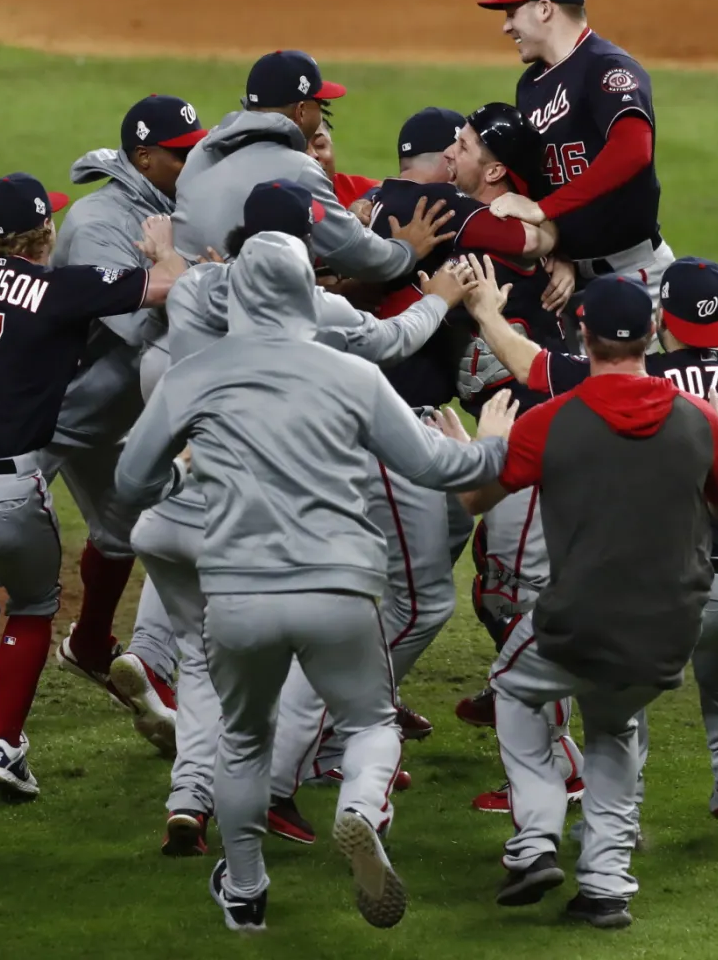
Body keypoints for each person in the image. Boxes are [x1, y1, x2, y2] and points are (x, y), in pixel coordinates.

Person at [114, 227, 515, 933]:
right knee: (369, 721)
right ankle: (360, 808)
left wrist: (180, 470)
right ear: (310, 294)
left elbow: (129, 480)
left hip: (238, 592)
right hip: (340, 588)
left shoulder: (195, 375)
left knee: (241, 738)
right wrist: (505, 445)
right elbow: (437, 468)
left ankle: (245, 890)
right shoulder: (352, 374)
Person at [260, 105, 568, 842]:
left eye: (469, 146)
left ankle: (329, 739)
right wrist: (551, 238)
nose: (458, 156)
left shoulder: (384, 203)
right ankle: (328, 739)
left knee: (415, 572)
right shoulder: (437, 208)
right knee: (417, 602)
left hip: (387, 422)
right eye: (455, 146)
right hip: (389, 422)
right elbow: (522, 236)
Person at [0, 95, 207, 747]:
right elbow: (139, 323)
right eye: (182, 152)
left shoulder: (162, 204)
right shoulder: (96, 222)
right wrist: (195, 273)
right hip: (51, 415)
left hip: (105, 414)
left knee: (125, 526)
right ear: (146, 157)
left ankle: (88, 643)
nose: (195, 161)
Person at [451, 273, 718, 928]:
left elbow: (473, 501)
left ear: (582, 335)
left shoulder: (550, 419)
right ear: (653, 335)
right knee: (614, 726)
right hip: (672, 628)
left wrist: (479, 450)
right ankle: (606, 886)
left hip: (578, 620)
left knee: (513, 688)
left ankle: (534, 840)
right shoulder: (703, 420)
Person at [471, 257, 718, 816]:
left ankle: (615, 814)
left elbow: (533, 366)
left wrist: (487, 313)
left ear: (662, 318)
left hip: (696, 590)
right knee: (717, 626)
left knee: (628, 681)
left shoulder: (645, 380)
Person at [0, 172, 184, 799]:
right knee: (30, 609)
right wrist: (163, 249)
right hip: (3, 489)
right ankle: (5, 746)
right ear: (46, 234)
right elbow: (172, 289)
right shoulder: (58, 287)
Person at [477, 0, 673, 324]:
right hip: (573, 282)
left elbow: (633, 151)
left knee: (700, 378)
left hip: (639, 273)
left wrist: (545, 209)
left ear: (545, 9)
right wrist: (559, 253)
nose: (506, 27)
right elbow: (542, 177)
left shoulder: (607, 66)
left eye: (511, 13)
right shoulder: (531, 85)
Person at [172, 49, 451, 276]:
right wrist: (406, 249)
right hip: (236, 316)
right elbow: (360, 256)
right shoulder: (297, 168)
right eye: (319, 103)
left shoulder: (201, 152)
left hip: (185, 307)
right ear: (302, 111)